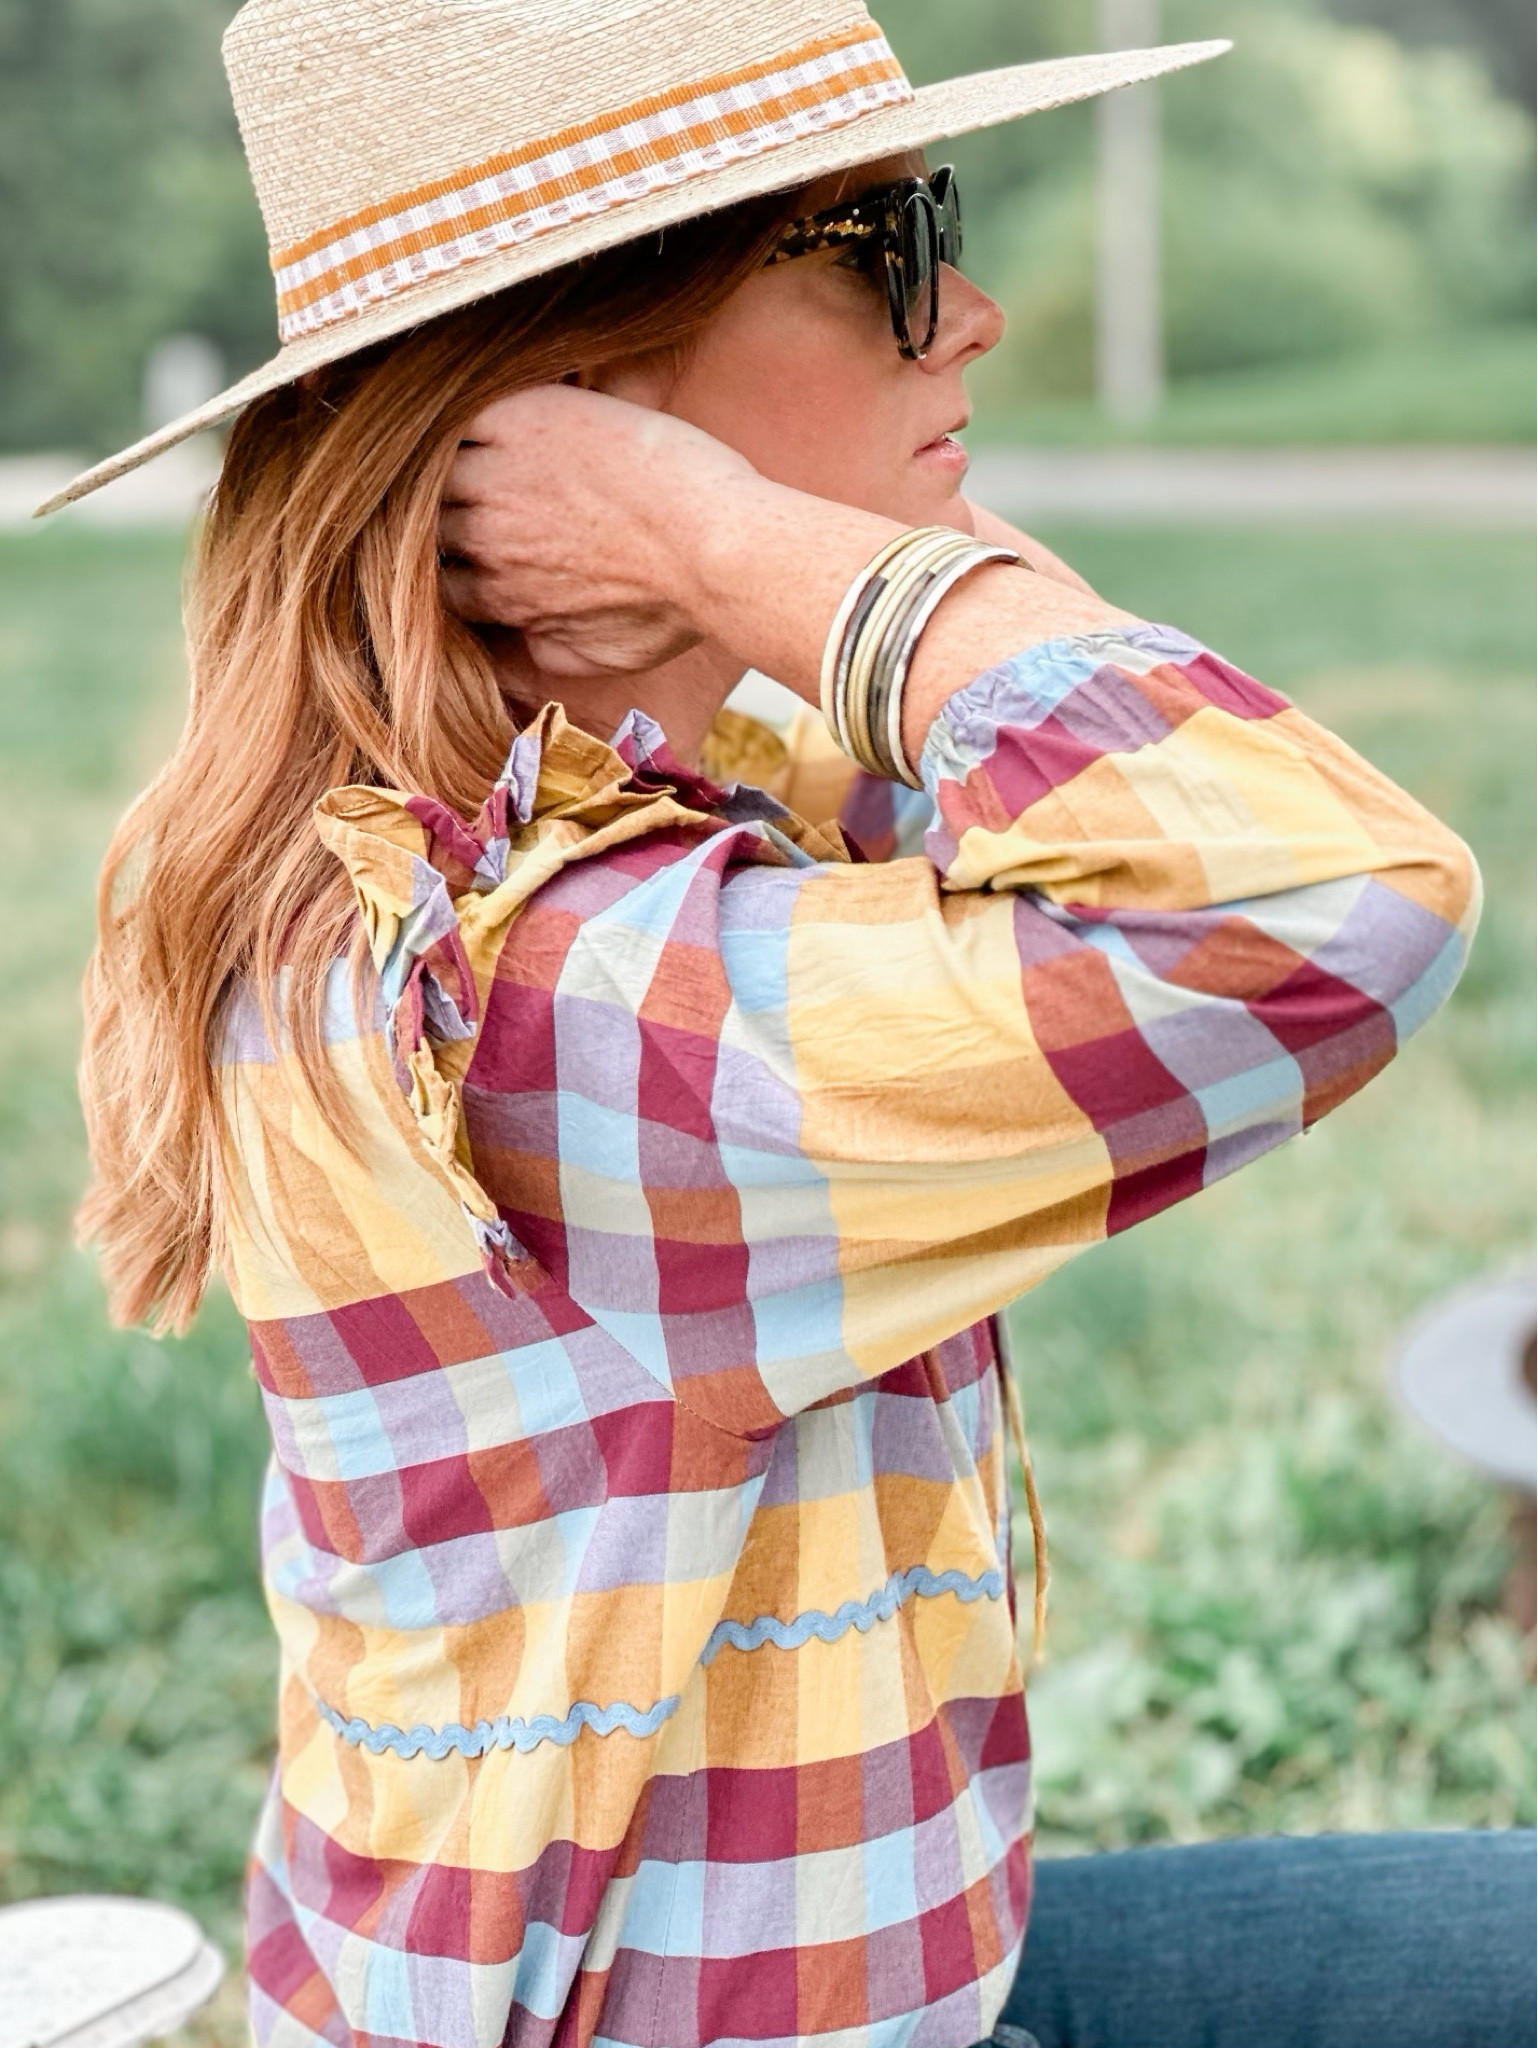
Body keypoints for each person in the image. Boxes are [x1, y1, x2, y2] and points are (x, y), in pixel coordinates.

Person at [52, 1, 1532, 2044]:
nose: (974, 312)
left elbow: (1062, 763)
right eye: (885, 246)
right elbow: (1323, 901)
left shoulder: (569, 825)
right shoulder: (549, 995)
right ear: (580, 392)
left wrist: (761, 549)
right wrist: (726, 533)